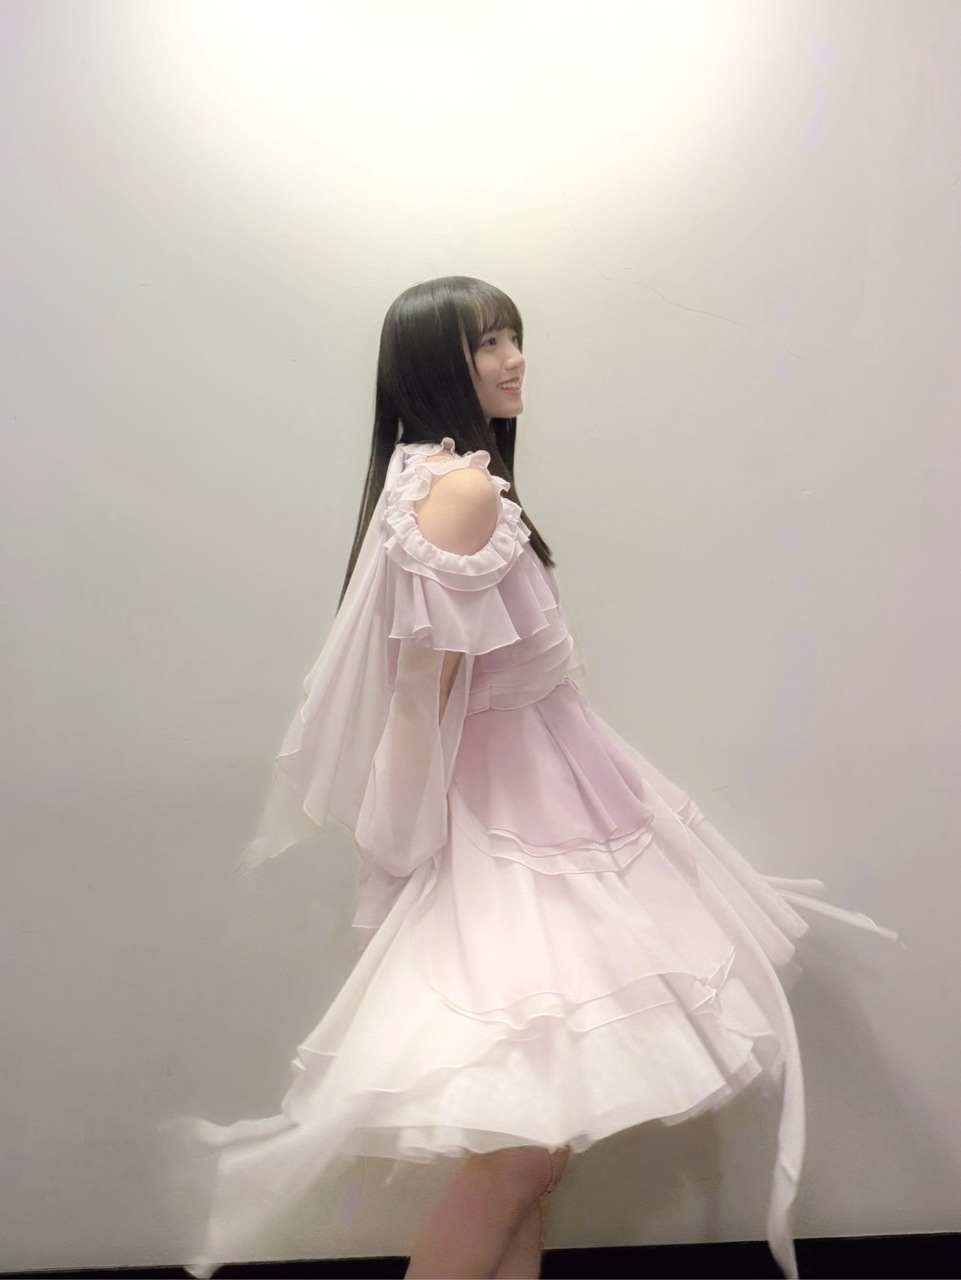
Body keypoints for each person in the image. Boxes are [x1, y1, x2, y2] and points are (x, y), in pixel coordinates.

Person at [163, 276, 895, 1280]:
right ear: (436, 365)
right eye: (487, 344)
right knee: (519, 1149)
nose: (514, 361)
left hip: (547, 812)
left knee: (531, 1146)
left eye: (513, 337)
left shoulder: (437, 478)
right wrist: (404, 852)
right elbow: (422, 698)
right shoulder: (459, 490)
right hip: (518, 832)